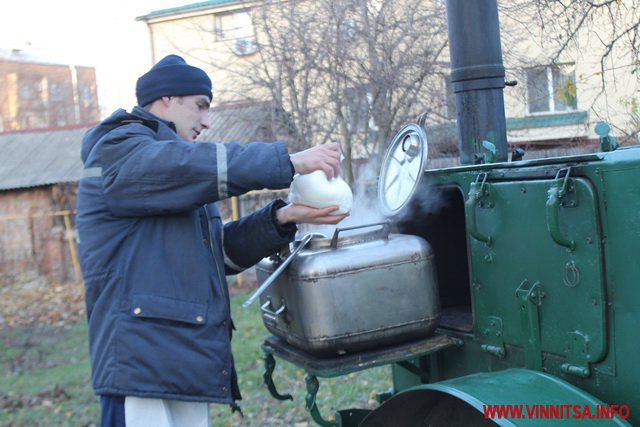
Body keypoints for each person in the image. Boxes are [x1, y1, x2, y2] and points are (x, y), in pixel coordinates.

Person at [75, 54, 347, 427]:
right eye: (200, 106)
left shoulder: (174, 174)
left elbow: (216, 255)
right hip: (140, 365)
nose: (207, 120)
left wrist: (283, 217)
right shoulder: (121, 147)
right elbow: (186, 165)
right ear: (166, 99)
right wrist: (289, 161)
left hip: (178, 359)